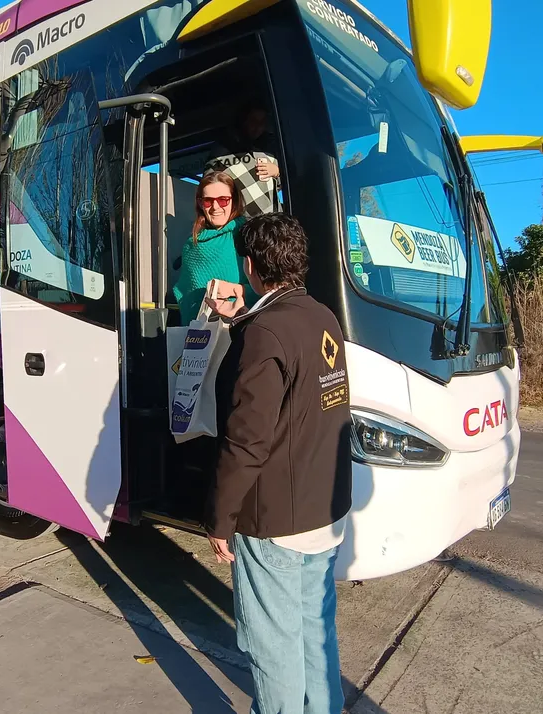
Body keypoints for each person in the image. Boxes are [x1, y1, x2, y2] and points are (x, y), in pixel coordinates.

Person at [204, 213, 353, 714]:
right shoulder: (321, 316)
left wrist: (221, 516)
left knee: (274, 648)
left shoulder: (267, 332)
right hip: (323, 510)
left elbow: (248, 441)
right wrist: (242, 319)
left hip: (276, 521)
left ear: (249, 265)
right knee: (316, 632)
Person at [172, 172, 258, 322]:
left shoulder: (250, 236)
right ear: (200, 203)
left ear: (234, 200)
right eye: (208, 201)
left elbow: (273, 290)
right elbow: (186, 299)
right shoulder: (191, 246)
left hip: (243, 327)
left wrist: (234, 289)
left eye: (223, 200)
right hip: (202, 336)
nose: (215, 207)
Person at [205, 101, 282, 218]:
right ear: (243, 121)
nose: (258, 126)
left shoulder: (271, 151)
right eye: (253, 121)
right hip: (238, 221)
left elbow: (286, 184)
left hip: (271, 219)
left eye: (262, 122)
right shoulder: (222, 150)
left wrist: (277, 171)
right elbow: (209, 183)